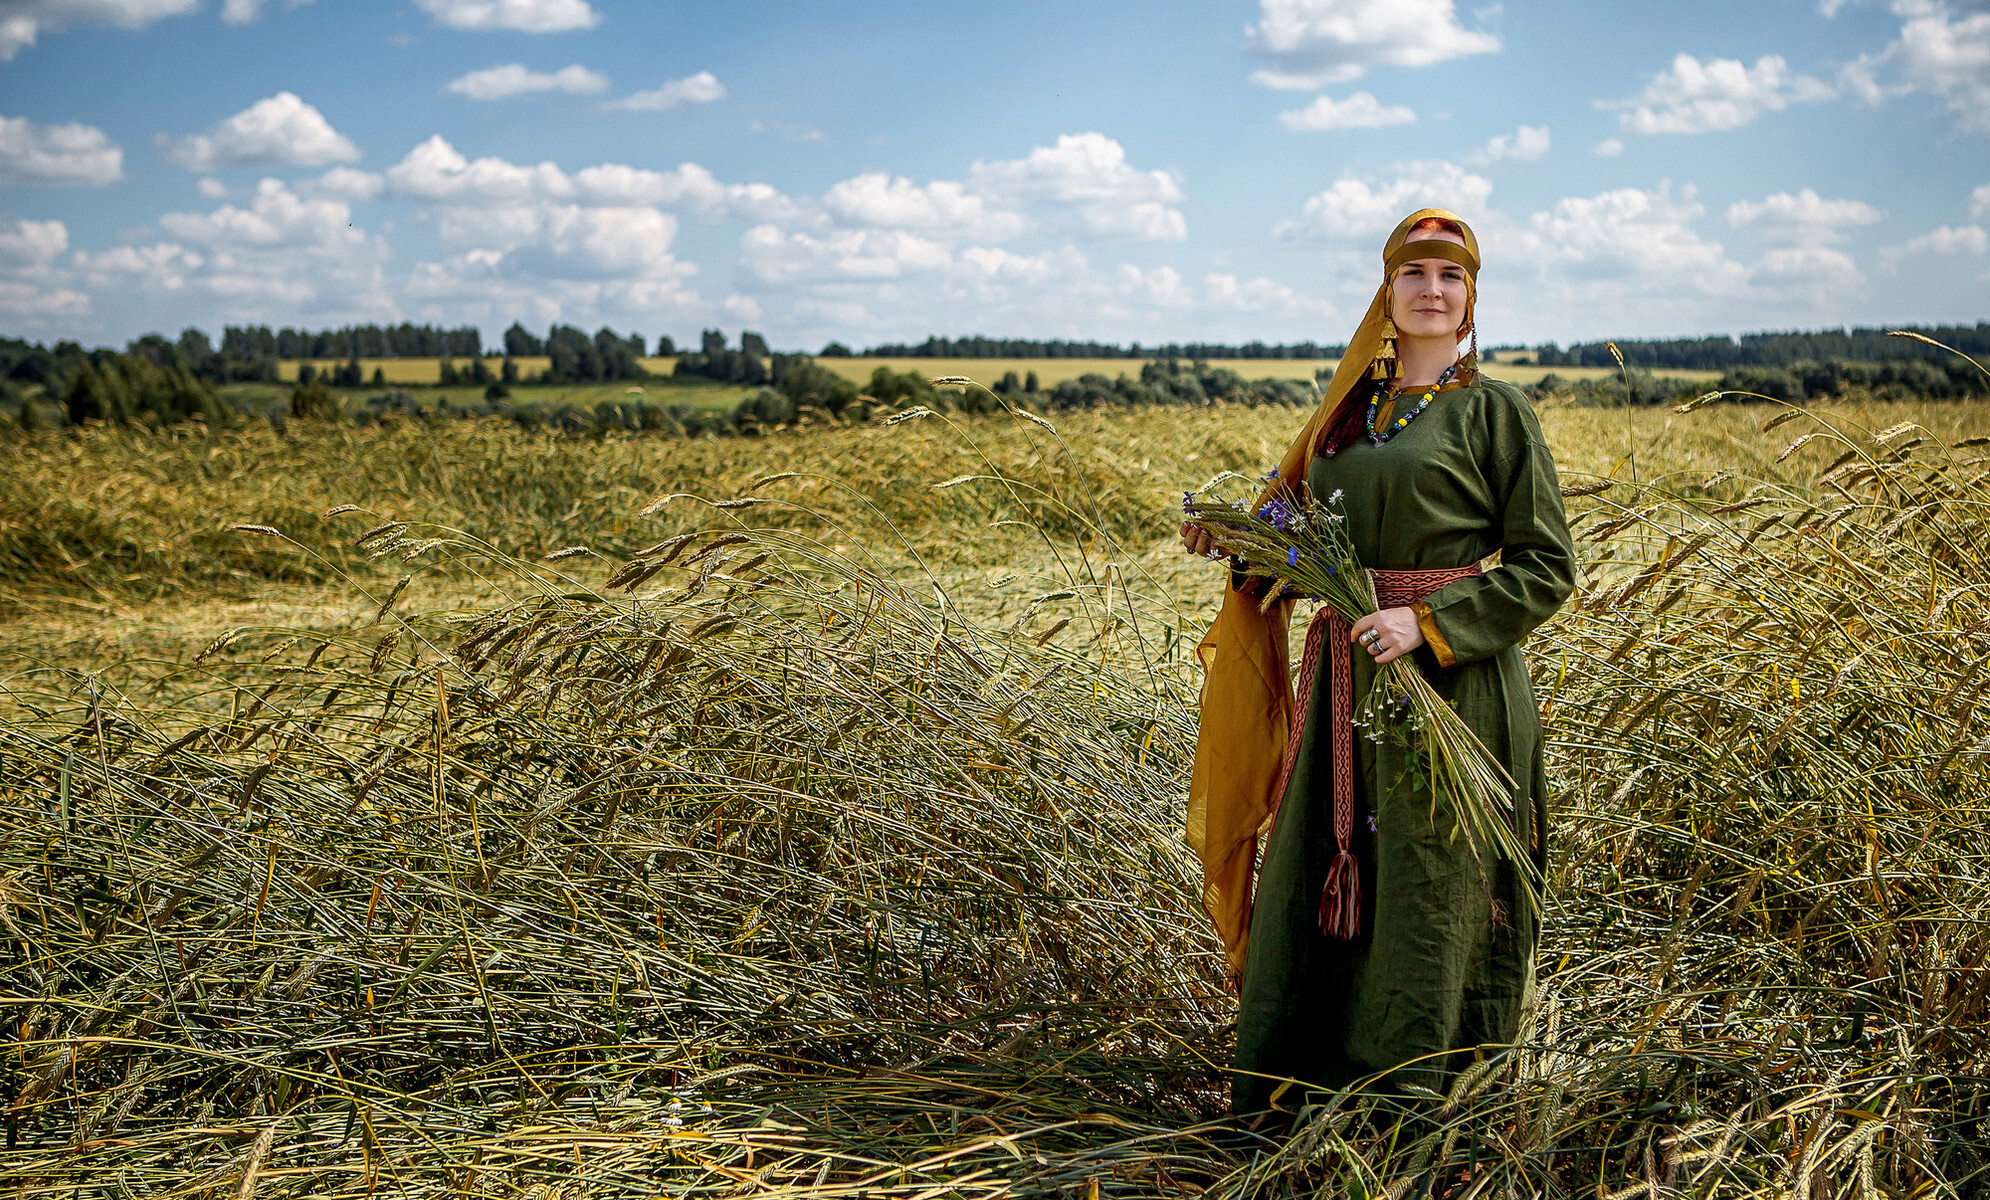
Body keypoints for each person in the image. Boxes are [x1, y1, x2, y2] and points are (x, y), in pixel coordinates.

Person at [1180, 208, 1576, 1117]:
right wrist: (1236, 541)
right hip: (1348, 683)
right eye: (1414, 275)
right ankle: (1306, 1089)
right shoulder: (1346, 416)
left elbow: (1547, 567)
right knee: (1331, 859)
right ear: (1386, 293)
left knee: (1432, 885)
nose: (1431, 292)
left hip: (1457, 688)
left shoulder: (1495, 412)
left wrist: (1426, 622)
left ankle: (1420, 1104)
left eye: (1451, 277)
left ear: (1471, 299)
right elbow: (1303, 544)